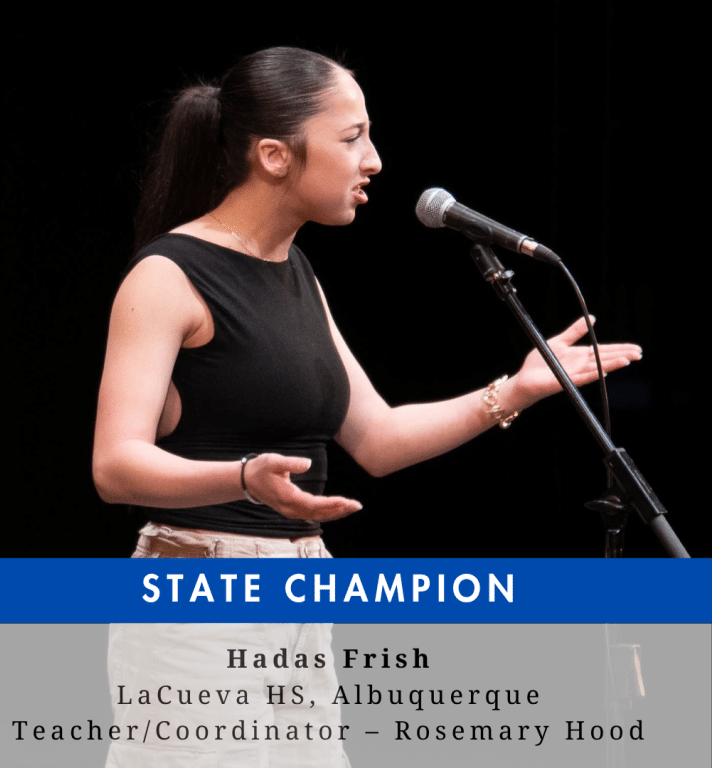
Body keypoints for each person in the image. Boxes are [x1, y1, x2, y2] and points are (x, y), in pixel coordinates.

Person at [93, 47, 641, 767]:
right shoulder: (167, 275)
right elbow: (115, 466)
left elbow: (377, 439)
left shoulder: (295, 270)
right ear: (274, 156)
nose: (374, 160)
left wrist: (513, 390)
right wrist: (244, 477)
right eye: (352, 137)